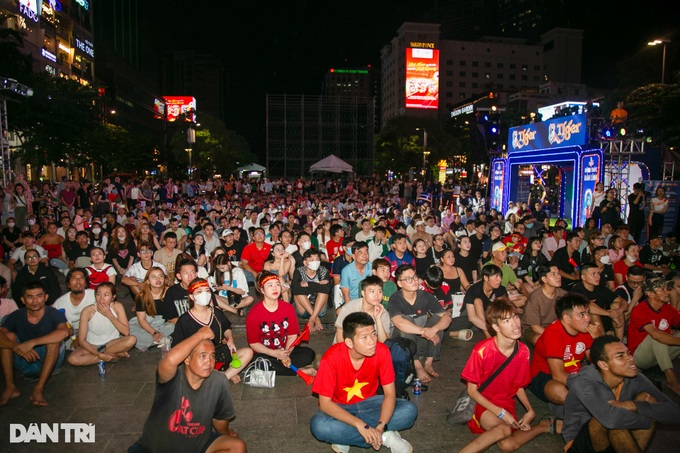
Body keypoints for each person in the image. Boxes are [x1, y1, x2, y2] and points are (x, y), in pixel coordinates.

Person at [310, 312, 418, 453]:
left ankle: (347, 437)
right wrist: (361, 425)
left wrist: (381, 425)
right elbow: (325, 404)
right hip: (340, 407)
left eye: (373, 334)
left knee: (409, 411)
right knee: (319, 426)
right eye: (364, 337)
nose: (372, 341)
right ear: (349, 342)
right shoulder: (331, 358)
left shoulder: (382, 351)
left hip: (371, 404)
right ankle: (385, 437)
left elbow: (390, 394)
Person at [460, 298, 557, 453]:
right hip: (483, 401)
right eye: (506, 320)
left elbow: (518, 386)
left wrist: (530, 410)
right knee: (502, 430)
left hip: (505, 402)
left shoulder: (523, 351)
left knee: (507, 445)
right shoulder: (483, 351)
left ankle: (543, 426)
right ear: (496, 327)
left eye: (515, 317)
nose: (515, 324)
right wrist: (500, 412)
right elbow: (472, 391)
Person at [128, 326, 247, 453]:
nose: (209, 362)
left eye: (212, 356)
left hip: (198, 443)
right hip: (157, 447)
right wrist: (200, 334)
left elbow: (219, 419)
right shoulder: (172, 377)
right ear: (187, 359)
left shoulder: (219, 381)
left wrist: (225, 434)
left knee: (237, 447)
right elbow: (169, 359)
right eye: (202, 356)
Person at [563, 335, 680, 453]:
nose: (630, 358)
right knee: (610, 419)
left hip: (618, 438)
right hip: (580, 446)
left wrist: (633, 405)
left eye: (628, 353)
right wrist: (651, 419)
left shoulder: (635, 377)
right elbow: (610, 420)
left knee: (646, 399)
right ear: (603, 365)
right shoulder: (584, 382)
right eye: (620, 356)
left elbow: (675, 412)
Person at [171, 278, 252, 383]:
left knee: (248, 352)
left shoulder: (216, 313)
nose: (204, 294)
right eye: (199, 291)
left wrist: (230, 339)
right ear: (191, 296)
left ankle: (222, 377)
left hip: (217, 352)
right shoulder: (184, 320)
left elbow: (226, 327)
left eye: (207, 291)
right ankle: (222, 374)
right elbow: (176, 348)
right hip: (197, 357)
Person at [0, 281, 68, 406]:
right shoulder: (17, 315)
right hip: (24, 359)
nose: (35, 301)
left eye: (39, 296)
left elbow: (64, 332)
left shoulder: (53, 313)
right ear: (23, 300)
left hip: (50, 361)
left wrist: (32, 343)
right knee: (7, 337)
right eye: (30, 297)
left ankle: (38, 388)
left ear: (46, 297)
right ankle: (10, 387)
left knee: (54, 341)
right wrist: (16, 346)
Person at [528, 293, 598, 408]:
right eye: (581, 314)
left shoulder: (585, 330)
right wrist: (586, 386)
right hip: (545, 375)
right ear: (567, 318)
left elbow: (596, 361)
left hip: (575, 373)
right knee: (561, 392)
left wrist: (597, 339)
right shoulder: (553, 334)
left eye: (587, 313)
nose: (587, 318)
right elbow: (558, 375)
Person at [389, 264, 452, 384]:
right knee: (406, 319)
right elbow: (399, 323)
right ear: (400, 283)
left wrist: (434, 329)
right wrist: (425, 332)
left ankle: (428, 362)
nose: (413, 281)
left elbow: (447, 317)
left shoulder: (426, 296)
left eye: (414, 277)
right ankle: (417, 365)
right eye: (408, 279)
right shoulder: (395, 298)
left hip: (420, 342)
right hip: (404, 344)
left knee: (436, 319)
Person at [245, 272, 316, 376]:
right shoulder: (254, 314)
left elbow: (292, 335)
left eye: (277, 284)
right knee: (259, 361)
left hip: (285, 350)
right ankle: (298, 372)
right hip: (266, 353)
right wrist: (273, 353)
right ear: (262, 290)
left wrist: (286, 354)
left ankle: (281, 369)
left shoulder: (288, 308)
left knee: (309, 354)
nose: (275, 288)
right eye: (270, 285)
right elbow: (254, 343)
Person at [627, 277, 680, 395]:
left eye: (666, 289)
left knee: (663, 336)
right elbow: (656, 335)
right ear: (650, 293)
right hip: (640, 357)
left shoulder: (667, 308)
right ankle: (672, 380)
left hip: (661, 354)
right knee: (656, 336)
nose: (667, 292)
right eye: (661, 290)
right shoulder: (640, 310)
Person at [67, 282, 136, 366]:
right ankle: (112, 356)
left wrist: (109, 315)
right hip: (92, 345)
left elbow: (126, 332)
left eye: (106, 295)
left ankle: (105, 355)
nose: (101, 299)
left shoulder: (117, 306)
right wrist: (99, 354)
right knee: (73, 359)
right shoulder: (87, 311)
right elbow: (82, 340)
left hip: (112, 344)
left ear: (113, 297)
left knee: (132, 339)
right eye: (98, 294)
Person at [571, 263, 626, 340]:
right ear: (583, 277)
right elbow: (587, 306)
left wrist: (619, 311)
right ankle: (603, 343)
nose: (598, 276)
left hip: (605, 319)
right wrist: (610, 314)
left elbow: (622, 301)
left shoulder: (601, 288)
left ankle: (619, 341)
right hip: (587, 323)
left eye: (598, 273)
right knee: (592, 313)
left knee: (616, 306)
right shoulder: (577, 290)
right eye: (593, 274)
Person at [129, 266, 176, 351]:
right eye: (153, 277)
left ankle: (155, 342)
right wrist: (154, 332)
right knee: (131, 330)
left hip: (165, 323)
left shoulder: (171, 292)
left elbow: (173, 317)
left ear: (165, 279)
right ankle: (160, 340)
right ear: (148, 281)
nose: (158, 279)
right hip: (148, 323)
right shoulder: (142, 296)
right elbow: (142, 319)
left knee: (174, 326)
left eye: (161, 276)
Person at [334, 276, 391, 344]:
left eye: (380, 291)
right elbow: (339, 335)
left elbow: (384, 343)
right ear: (363, 293)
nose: (376, 295)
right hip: (347, 348)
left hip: (370, 349)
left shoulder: (383, 313)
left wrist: (378, 319)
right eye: (372, 291)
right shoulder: (350, 308)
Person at [522, 265, 567, 346]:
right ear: (544, 279)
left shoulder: (563, 294)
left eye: (558, 273)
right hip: (533, 328)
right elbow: (535, 327)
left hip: (554, 326)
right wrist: (554, 335)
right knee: (539, 339)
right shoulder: (535, 298)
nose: (558, 277)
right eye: (553, 274)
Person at [52, 268, 96, 349]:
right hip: (71, 334)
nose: (78, 282)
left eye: (81, 278)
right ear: (68, 284)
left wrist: (81, 336)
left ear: (86, 283)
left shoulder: (95, 295)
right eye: (74, 279)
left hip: (92, 330)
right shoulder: (59, 303)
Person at [291, 249, 332, 332]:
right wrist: (318, 284)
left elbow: (327, 289)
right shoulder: (299, 271)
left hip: (320, 309)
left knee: (323, 292)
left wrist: (308, 284)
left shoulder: (323, 270)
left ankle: (311, 319)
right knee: (299, 293)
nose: (315, 262)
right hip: (303, 308)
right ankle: (316, 319)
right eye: (312, 260)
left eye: (317, 259)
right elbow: (295, 289)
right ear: (305, 262)